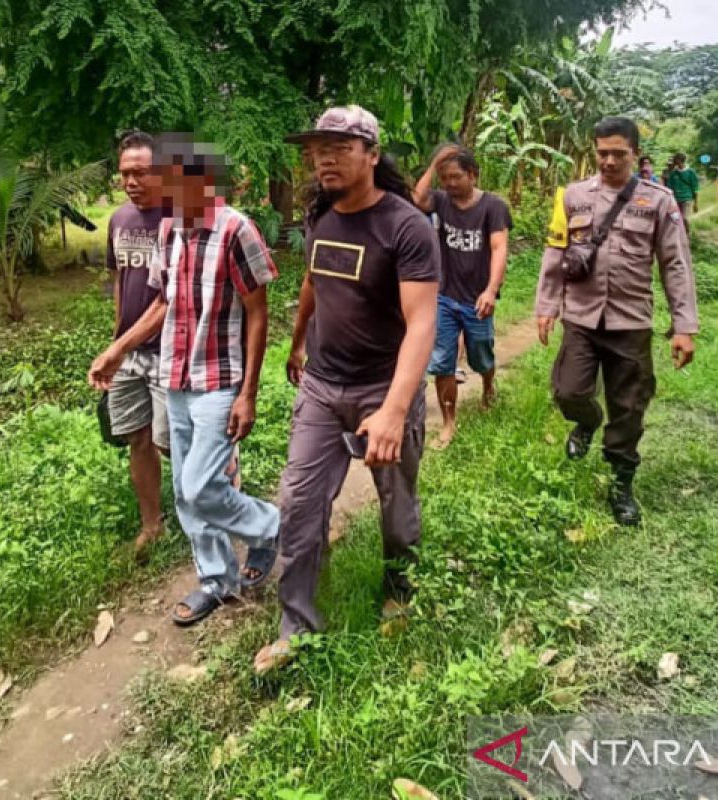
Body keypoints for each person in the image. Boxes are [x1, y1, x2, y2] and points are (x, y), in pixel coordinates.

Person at [254, 106, 439, 673]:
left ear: (372, 154)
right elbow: (315, 277)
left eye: (340, 146)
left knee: (396, 504)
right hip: (321, 388)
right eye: (317, 148)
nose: (324, 158)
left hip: (383, 389)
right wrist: (297, 340)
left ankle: (400, 584)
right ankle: (297, 627)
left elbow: (423, 324)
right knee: (299, 503)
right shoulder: (321, 214)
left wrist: (393, 410)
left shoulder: (406, 227)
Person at [89, 134, 280, 626]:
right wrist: (118, 348)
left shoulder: (238, 230)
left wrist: (249, 393)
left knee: (198, 486)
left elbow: (258, 312)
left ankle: (268, 525)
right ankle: (217, 581)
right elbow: (161, 302)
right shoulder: (170, 230)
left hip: (220, 379)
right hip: (174, 377)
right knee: (183, 491)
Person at [537, 117, 699, 527]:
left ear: (634, 153)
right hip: (581, 318)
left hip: (630, 322)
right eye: (602, 153)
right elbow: (556, 254)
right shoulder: (573, 196)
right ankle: (587, 422)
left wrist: (684, 326)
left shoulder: (658, 201)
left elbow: (675, 265)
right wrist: (546, 305)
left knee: (628, 408)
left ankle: (620, 482)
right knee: (569, 391)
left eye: (618, 154)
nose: (609, 161)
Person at [413, 144, 512, 449]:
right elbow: (417, 198)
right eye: (445, 177)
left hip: (477, 299)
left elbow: (499, 249)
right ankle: (448, 423)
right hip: (444, 296)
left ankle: (487, 385)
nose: (449, 183)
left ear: (473, 174)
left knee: (481, 356)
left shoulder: (493, 207)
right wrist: (434, 164)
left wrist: (491, 290)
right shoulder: (441, 201)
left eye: (456, 176)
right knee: (442, 363)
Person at [102, 131, 171, 556]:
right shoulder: (118, 220)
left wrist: (118, 347)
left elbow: (171, 298)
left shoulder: (179, 220)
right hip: (128, 352)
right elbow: (119, 281)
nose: (132, 181)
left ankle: (219, 496)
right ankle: (152, 525)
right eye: (125, 173)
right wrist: (118, 339)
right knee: (137, 439)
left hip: (170, 350)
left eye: (141, 172)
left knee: (172, 441)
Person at [666, 153, 700, 231]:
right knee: (676, 219)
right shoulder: (673, 173)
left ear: (681, 161)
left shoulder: (691, 172)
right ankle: (680, 236)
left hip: (686, 199)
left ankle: (687, 235)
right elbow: (669, 187)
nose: (675, 161)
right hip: (676, 200)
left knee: (685, 218)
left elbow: (695, 188)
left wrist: (696, 203)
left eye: (676, 159)